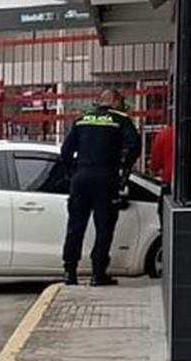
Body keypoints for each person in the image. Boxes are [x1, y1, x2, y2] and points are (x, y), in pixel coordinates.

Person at [60, 88, 142, 286]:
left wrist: (73, 172)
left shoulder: (82, 120)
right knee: (104, 227)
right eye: (121, 102)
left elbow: (65, 151)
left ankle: (70, 272)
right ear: (114, 101)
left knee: (75, 227)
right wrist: (124, 167)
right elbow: (134, 146)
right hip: (106, 179)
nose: (123, 106)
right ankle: (98, 274)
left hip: (81, 179)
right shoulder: (120, 120)